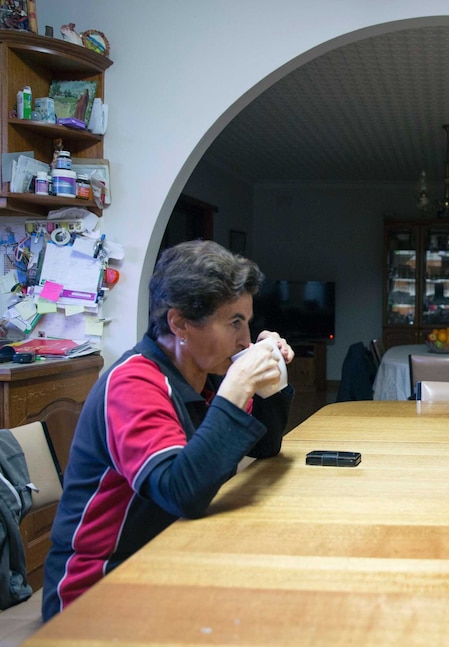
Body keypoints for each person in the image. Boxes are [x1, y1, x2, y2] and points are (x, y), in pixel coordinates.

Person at [42, 240, 296, 620]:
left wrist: (268, 383)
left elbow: (265, 447)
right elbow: (181, 493)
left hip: (171, 553)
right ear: (178, 323)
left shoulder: (202, 376)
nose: (245, 339)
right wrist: (236, 388)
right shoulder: (133, 385)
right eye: (233, 322)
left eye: (247, 321)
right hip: (101, 586)